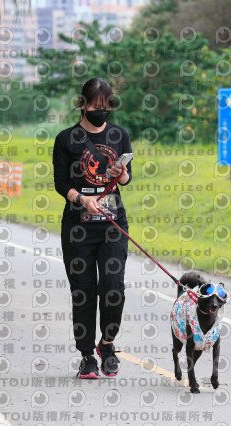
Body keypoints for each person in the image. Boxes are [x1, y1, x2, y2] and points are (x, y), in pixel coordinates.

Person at [53, 77, 133, 379]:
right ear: (82, 105)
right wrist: (82, 201)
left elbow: (126, 180)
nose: (102, 112)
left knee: (114, 288)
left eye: (107, 106)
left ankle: (107, 345)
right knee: (83, 292)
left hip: (113, 223)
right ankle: (86, 355)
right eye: (96, 106)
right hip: (79, 227)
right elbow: (61, 183)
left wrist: (122, 173)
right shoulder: (66, 139)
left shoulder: (119, 134)